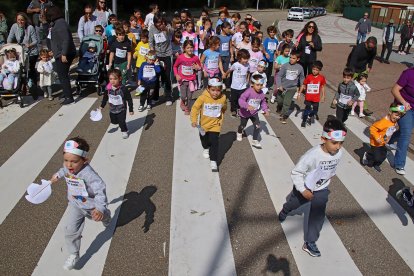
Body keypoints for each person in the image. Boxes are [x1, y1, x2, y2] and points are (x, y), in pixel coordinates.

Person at [278, 117, 347, 257]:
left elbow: (333, 165)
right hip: (304, 188)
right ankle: (285, 210)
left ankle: (310, 242)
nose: (338, 147)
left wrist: (330, 175)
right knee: (294, 204)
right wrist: (303, 190)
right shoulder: (311, 156)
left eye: (341, 143)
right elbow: (296, 173)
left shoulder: (339, 152)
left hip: (322, 189)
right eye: (334, 143)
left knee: (318, 215)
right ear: (323, 139)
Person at [49, 137, 111, 270]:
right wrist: (57, 175)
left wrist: (100, 209)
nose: (69, 165)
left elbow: (100, 190)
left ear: (84, 160)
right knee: (70, 230)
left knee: (102, 217)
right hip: (75, 205)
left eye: (74, 162)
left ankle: (106, 216)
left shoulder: (89, 174)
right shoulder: (68, 168)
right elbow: (63, 170)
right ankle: (73, 253)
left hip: (92, 207)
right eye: (66, 160)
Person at [190, 78, 227, 172]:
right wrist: (194, 120)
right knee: (204, 140)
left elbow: (224, 107)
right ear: (208, 89)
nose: (215, 93)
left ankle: (213, 161)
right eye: (213, 90)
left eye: (218, 90)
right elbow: (195, 108)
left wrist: (222, 113)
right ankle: (205, 147)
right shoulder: (203, 97)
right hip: (203, 125)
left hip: (215, 125)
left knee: (215, 142)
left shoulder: (223, 97)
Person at [45, 6, 76, 105]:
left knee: (63, 75)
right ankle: (66, 92)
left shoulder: (60, 23)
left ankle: (69, 97)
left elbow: (66, 40)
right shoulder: (55, 23)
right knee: (62, 74)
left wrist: (64, 54)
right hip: (60, 52)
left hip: (64, 53)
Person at [362, 103, 404, 172]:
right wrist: (377, 138)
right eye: (396, 115)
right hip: (376, 143)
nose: (397, 117)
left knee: (384, 155)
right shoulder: (383, 122)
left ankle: (376, 164)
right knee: (377, 158)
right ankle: (368, 155)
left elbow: (390, 130)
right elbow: (372, 128)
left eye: (399, 116)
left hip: (383, 142)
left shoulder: (393, 121)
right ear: (390, 112)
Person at [388, 67, 414, 175]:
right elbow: (394, 89)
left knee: (404, 130)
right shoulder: (408, 73)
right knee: (406, 133)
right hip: (403, 107)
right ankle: (399, 164)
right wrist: (403, 102)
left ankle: (390, 141)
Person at [7, 12, 38, 96]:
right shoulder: (14, 26)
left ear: (25, 20)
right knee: (20, 70)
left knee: (30, 70)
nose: (20, 22)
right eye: (18, 20)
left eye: (22, 20)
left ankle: (33, 87)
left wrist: (29, 45)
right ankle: (20, 87)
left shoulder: (30, 28)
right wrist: (8, 45)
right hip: (21, 51)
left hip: (31, 52)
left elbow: (35, 40)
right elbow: (10, 38)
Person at [236, 74, 270, 148]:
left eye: (261, 85)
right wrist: (247, 106)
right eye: (257, 85)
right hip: (244, 113)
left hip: (254, 113)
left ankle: (255, 140)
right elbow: (240, 100)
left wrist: (265, 110)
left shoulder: (261, 94)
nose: (259, 87)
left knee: (258, 126)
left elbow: (263, 102)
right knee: (242, 125)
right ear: (252, 84)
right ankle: (239, 132)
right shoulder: (248, 92)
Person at [346, 36, 377, 115]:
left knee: (362, 88)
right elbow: (352, 60)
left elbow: (372, 58)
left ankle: (364, 108)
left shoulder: (373, 48)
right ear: (366, 43)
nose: (370, 49)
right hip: (353, 67)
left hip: (363, 68)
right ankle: (338, 100)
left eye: (372, 48)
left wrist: (369, 66)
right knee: (349, 86)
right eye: (369, 48)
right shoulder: (358, 48)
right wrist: (352, 74)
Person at [100, 69, 134, 139]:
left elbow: (129, 99)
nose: (112, 81)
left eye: (115, 79)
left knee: (121, 121)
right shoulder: (108, 88)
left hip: (122, 109)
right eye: (110, 79)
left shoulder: (123, 89)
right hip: (112, 109)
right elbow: (105, 97)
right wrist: (102, 106)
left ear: (120, 79)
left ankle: (124, 131)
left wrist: (131, 109)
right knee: (114, 122)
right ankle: (120, 124)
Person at [149, 15, 174, 105]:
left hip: (167, 54)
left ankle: (168, 96)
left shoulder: (167, 26)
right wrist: (152, 54)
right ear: (155, 23)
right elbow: (151, 41)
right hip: (157, 55)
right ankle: (155, 96)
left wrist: (166, 29)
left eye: (162, 22)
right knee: (156, 75)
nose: (160, 25)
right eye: (158, 23)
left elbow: (172, 32)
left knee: (167, 76)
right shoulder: (152, 28)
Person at [276, 50, 305, 124]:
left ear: (298, 59)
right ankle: (279, 106)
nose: (291, 59)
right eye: (290, 57)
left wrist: (302, 85)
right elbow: (279, 76)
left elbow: (302, 78)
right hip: (283, 87)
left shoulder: (300, 68)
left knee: (287, 103)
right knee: (280, 101)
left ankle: (283, 116)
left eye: (293, 58)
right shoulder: (285, 65)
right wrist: (279, 85)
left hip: (292, 88)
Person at [173, 40, 201, 115]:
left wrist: (197, 67)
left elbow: (200, 67)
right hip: (182, 80)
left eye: (191, 47)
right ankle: (182, 101)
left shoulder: (195, 58)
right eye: (188, 48)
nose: (190, 49)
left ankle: (187, 108)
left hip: (192, 80)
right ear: (184, 49)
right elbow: (175, 66)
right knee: (183, 95)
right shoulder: (181, 58)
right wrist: (176, 75)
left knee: (189, 96)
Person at [298, 60, 326, 128]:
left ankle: (311, 115)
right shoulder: (309, 77)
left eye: (316, 70)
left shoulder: (321, 78)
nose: (314, 71)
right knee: (307, 110)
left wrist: (323, 96)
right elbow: (303, 85)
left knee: (315, 110)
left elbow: (323, 87)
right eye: (313, 69)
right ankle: (304, 121)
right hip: (308, 97)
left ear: (319, 70)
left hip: (316, 98)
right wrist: (299, 93)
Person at [225, 48, 250, 117]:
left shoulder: (248, 65)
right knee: (233, 99)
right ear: (239, 58)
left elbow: (248, 73)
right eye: (244, 58)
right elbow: (230, 70)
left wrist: (248, 80)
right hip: (234, 86)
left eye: (247, 58)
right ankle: (233, 109)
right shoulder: (235, 65)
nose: (246, 60)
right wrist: (225, 74)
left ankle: (239, 109)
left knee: (241, 99)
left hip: (243, 86)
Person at [218, 22, 234, 88]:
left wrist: (232, 56)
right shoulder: (218, 37)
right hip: (220, 56)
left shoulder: (229, 37)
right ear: (223, 28)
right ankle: (220, 83)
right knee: (220, 70)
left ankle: (226, 84)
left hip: (227, 56)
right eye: (228, 28)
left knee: (226, 70)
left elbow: (230, 47)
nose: (229, 30)